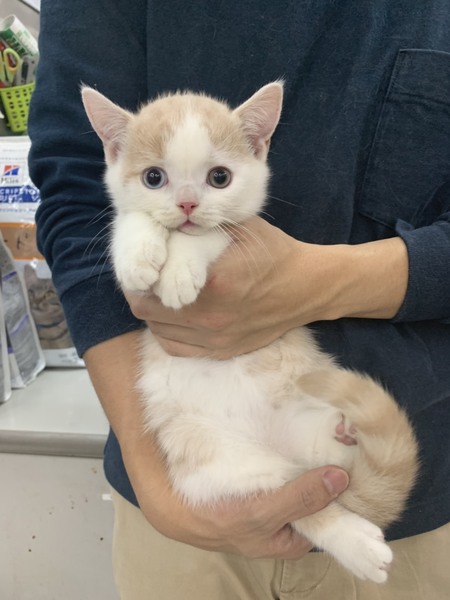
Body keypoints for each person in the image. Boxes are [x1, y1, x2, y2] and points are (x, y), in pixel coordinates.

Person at [28, 1, 450, 598]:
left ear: (258, 146)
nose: (187, 205)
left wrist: (313, 281)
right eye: (157, 179)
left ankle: (328, 516)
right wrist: (157, 481)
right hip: (179, 501)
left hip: (406, 504)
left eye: (218, 178)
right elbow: (73, 191)